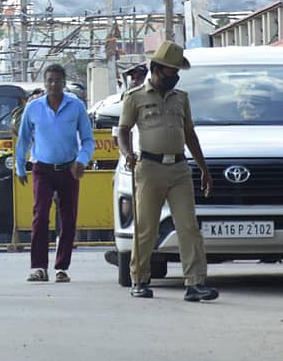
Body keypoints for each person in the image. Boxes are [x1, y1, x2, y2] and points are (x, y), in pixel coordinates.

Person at [117, 41, 218, 302]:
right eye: (171, 71)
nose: (175, 77)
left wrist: (204, 169)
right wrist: (128, 154)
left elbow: (190, 134)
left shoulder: (181, 98)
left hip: (180, 169)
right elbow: (124, 131)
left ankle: (195, 283)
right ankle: (139, 279)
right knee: (146, 228)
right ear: (157, 69)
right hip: (149, 169)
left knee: (188, 226)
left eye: (177, 72)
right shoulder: (135, 97)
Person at [15, 63, 94, 283]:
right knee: (40, 216)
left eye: (57, 81)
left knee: (68, 218)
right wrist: (20, 166)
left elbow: (88, 140)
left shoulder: (76, 106)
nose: (53, 85)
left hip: (69, 168)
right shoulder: (33, 108)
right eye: (49, 80)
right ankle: (39, 266)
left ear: (64, 82)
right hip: (42, 169)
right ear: (44, 82)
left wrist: (81, 161)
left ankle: (61, 267)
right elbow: (23, 139)